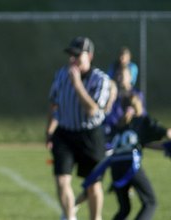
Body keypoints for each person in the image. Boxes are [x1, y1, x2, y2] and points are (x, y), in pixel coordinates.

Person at [76, 92, 171, 220]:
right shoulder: (141, 121)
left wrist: (165, 147)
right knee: (151, 202)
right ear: (139, 104)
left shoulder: (119, 124)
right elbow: (164, 132)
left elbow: (143, 143)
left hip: (116, 168)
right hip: (131, 166)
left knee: (124, 209)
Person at [46, 36, 112, 220]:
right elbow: (53, 104)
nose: (72, 60)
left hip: (89, 135)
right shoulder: (61, 74)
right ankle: (69, 216)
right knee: (61, 180)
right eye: (70, 56)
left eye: (77, 56)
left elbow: (92, 110)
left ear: (89, 56)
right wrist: (49, 131)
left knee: (93, 184)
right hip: (65, 133)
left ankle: (95, 217)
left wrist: (77, 84)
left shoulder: (100, 80)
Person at [103, 66, 146, 142]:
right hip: (110, 130)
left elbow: (142, 114)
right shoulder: (112, 93)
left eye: (122, 75)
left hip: (129, 132)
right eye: (117, 75)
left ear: (130, 77)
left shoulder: (137, 94)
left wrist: (132, 115)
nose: (119, 78)